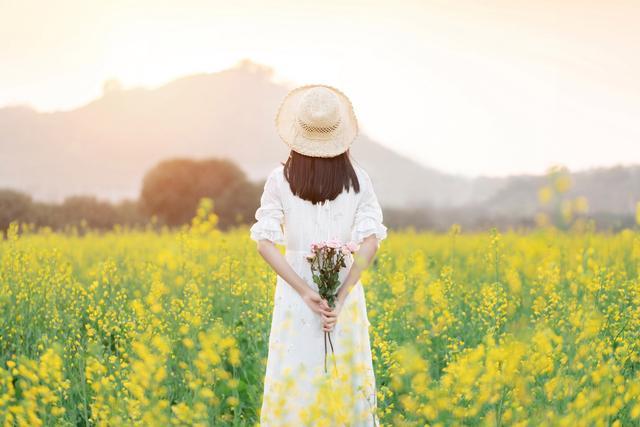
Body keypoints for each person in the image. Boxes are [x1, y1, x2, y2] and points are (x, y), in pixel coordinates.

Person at [250, 84, 388, 426]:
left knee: (295, 383)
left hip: (295, 299)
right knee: (345, 381)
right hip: (345, 295)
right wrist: (340, 297)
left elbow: (264, 242)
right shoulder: (359, 180)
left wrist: (305, 291)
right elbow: (370, 241)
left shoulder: (279, 180)